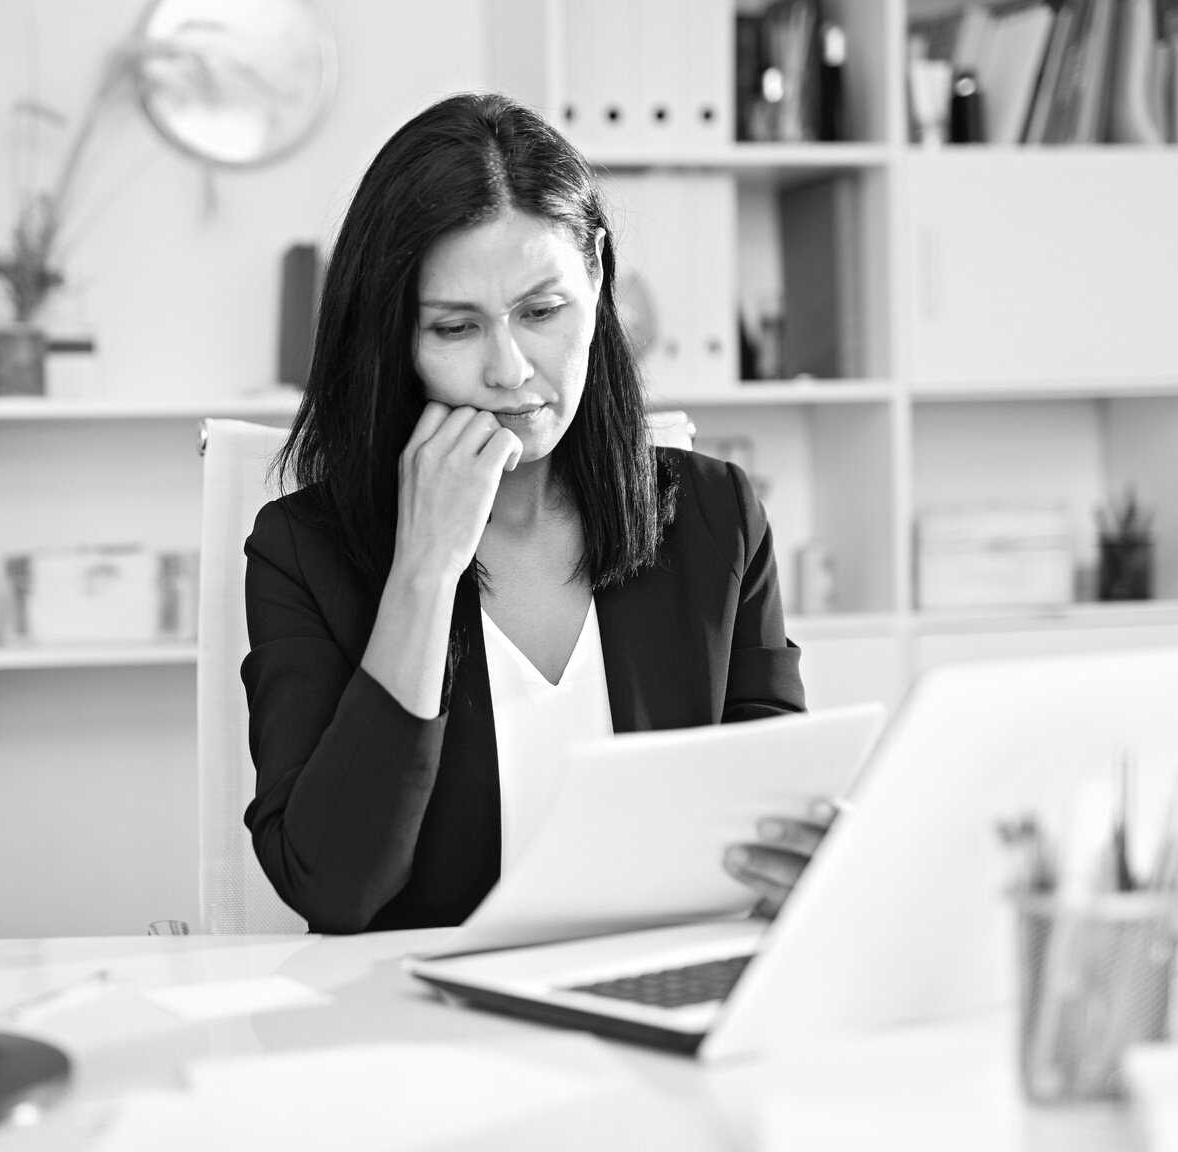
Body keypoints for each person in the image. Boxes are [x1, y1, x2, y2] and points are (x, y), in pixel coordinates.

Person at [243, 92, 814, 935]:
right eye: (455, 327)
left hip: (647, 1004)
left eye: (542, 312)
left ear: (597, 281)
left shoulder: (715, 515)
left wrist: (804, 857)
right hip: (420, 1027)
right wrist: (424, 573)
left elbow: (770, 818)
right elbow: (333, 887)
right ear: (393, 340)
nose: (509, 370)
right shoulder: (302, 551)